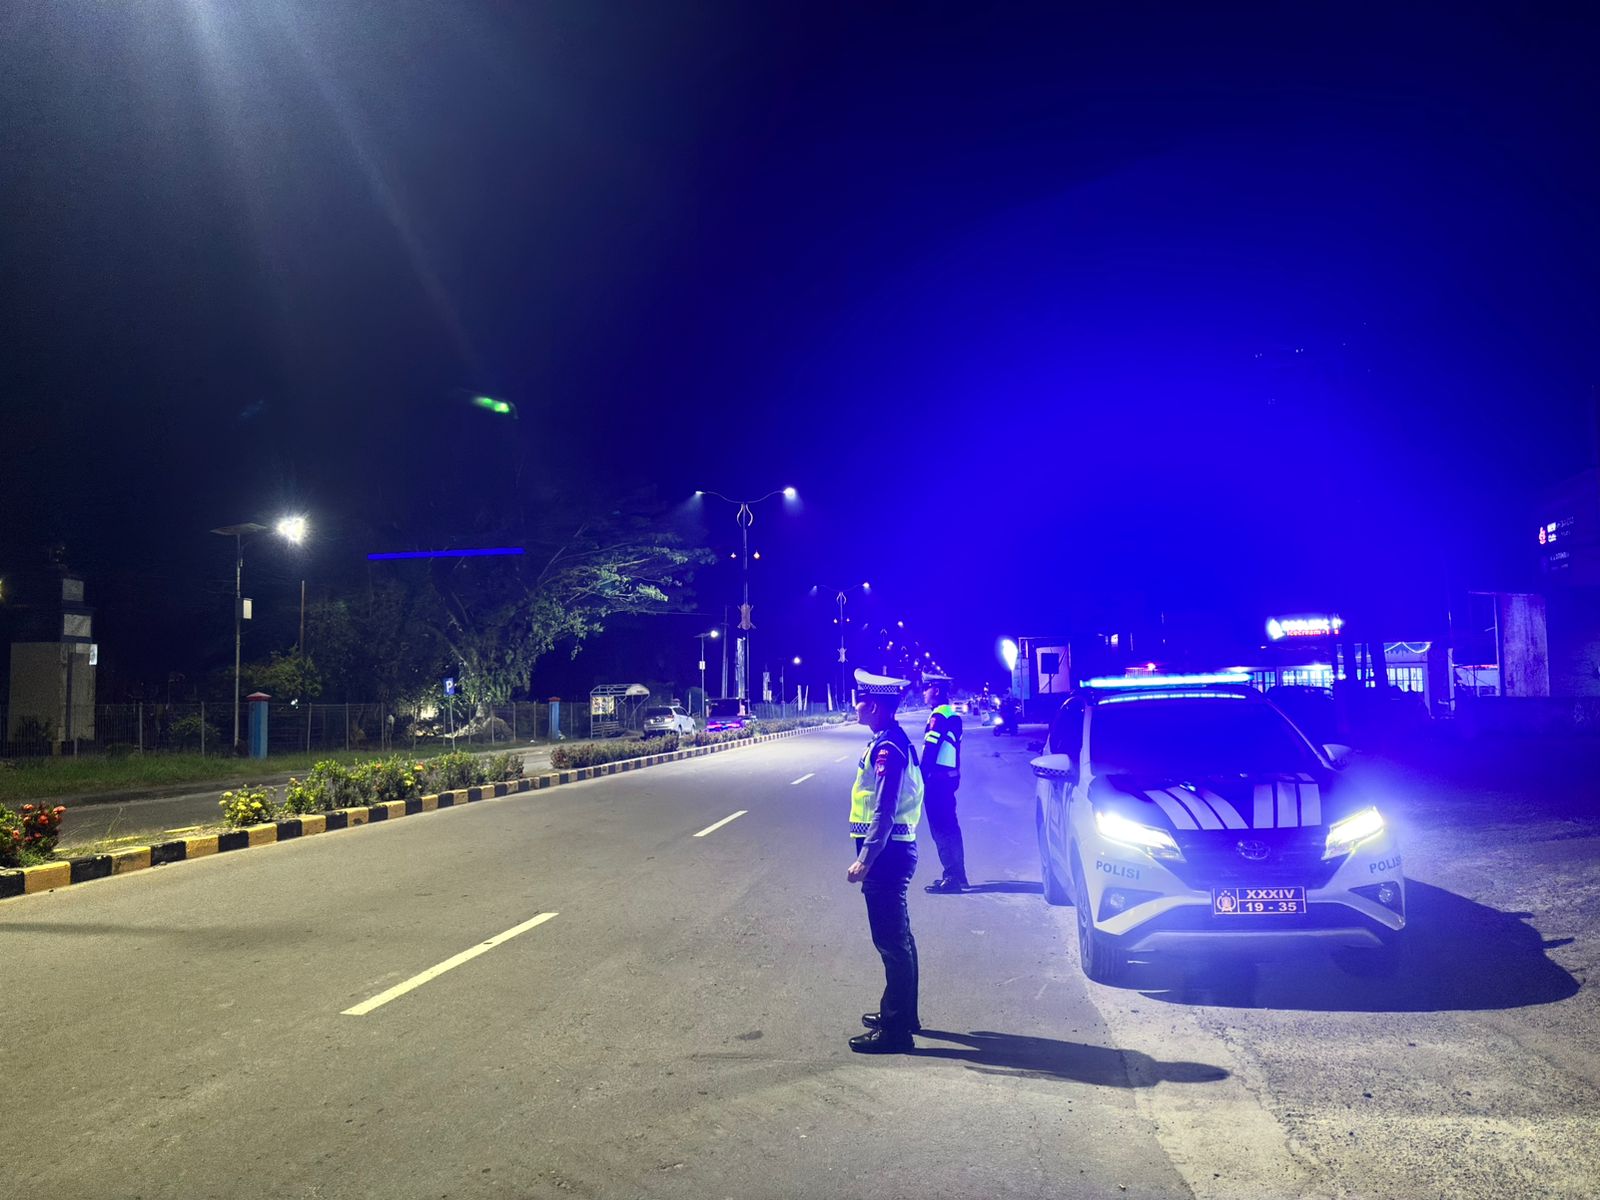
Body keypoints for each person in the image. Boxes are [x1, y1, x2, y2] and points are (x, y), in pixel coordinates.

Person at [845, 668, 925, 1053]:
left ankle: (896, 1032)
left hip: (887, 855)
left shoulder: (887, 749)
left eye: (859, 700)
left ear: (873, 706)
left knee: (891, 943)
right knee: (900, 939)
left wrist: (865, 858)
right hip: (894, 852)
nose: (856, 705)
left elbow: (884, 809)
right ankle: (902, 1014)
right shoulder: (889, 740)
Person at [919, 675, 968, 894]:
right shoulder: (951, 714)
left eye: (926, 688)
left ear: (936, 691)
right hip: (948, 778)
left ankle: (951, 877)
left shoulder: (939, 716)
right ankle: (959, 874)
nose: (923, 692)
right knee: (951, 827)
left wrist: (921, 777)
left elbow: (931, 750)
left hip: (937, 780)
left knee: (941, 829)